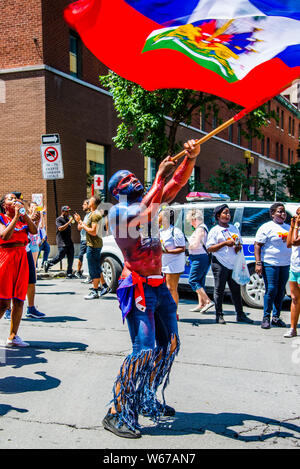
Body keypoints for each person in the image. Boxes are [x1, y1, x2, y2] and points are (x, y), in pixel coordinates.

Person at [102, 139, 200, 439]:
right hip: (137, 286)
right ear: (116, 191)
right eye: (126, 180)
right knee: (143, 350)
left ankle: (146, 397)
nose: (133, 180)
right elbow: (145, 213)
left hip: (159, 286)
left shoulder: (149, 201)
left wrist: (191, 159)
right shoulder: (116, 213)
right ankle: (117, 411)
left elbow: (176, 183)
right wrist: (157, 175)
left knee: (168, 345)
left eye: (134, 176)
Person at [0, 193, 38, 346]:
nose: (15, 200)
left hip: (22, 257)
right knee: (3, 302)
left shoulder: (22, 219)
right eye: (11, 199)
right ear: (4, 205)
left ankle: (13, 336)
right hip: (6, 258)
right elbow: (5, 236)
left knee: (19, 299)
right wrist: (16, 217)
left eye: (16, 199)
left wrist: (24, 215)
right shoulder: (2, 218)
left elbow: (34, 231)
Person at [206, 204, 254, 325]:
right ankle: (219, 315)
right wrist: (224, 243)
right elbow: (210, 248)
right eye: (225, 213)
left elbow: (239, 244)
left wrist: (237, 246)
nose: (227, 215)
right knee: (219, 290)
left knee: (235, 290)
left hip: (233, 264)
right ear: (218, 216)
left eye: (228, 213)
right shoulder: (215, 230)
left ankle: (240, 314)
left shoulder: (234, 228)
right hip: (220, 263)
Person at [254, 202, 291, 330]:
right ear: (273, 214)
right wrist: (258, 263)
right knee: (272, 289)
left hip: (285, 264)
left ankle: (276, 317)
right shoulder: (266, 227)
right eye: (280, 211)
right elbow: (257, 245)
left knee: (281, 291)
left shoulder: (288, 227)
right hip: (270, 263)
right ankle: (266, 317)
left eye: (284, 211)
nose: (283, 214)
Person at [75, 196, 110, 299]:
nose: (88, 202)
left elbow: (93, 232)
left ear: (93, 204)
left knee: (93, 269)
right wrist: (80, 221)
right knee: (96, 267)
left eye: (90, 201)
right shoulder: (93, 214)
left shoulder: (95, 215)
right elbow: (84, 227)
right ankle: (104, 286)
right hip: (94, 244)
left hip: (93, 245)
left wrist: (83, 225)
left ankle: (95, 291)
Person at [159, 208, 185, 320]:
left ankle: (173, 313)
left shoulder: (175, 231)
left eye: (159, 216)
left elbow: (182, 248)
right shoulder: (160, 231)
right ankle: (166, 310)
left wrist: (167, 251)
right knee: (164, 288)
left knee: (171, 288)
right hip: (163, 263)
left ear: (165, 218)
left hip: (174, 263)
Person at [186, 208, 213, 313]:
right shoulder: (202, 228)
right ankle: (201, 304)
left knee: (193, 280)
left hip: (199, 258)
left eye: (190, 221)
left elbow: (196, 245)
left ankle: (207, 301)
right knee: (200, 281)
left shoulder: (200, 229)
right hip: (202, 257)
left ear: (194, 219)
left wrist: (187, 247)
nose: (191, 224)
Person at [44, 205, 75, 278]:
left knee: (71, 256)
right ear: (63, 212)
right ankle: (49, 263)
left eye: (68, 211)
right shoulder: (59, 219)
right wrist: (68, 223)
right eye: (67, 212)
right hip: (62, 242)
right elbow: (60, 228)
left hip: (69, 241)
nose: (68, 213)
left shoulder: (68, 219)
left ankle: (69, 273)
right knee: (61, 256)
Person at [284, 207, 300, 338]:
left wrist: (296, 226)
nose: (297, 216)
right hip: (294, 267)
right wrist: (292, 226)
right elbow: (289, 243)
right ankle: (293, 328)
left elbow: (295, 241)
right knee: (294, 298)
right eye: (297, 214)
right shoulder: (296, 228)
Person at [74, 199, 90, 279]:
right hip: (83, 239)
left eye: (84, 204)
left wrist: (79, 220)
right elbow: (79, 227)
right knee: (81, 256)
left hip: (88, 239)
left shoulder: (90, 215)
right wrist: (79, 222)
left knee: (88, 257)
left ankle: (89, 275)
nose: (82, 206)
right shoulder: (86, 215)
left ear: (88, 205)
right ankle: (79, 271)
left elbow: (85, 225)